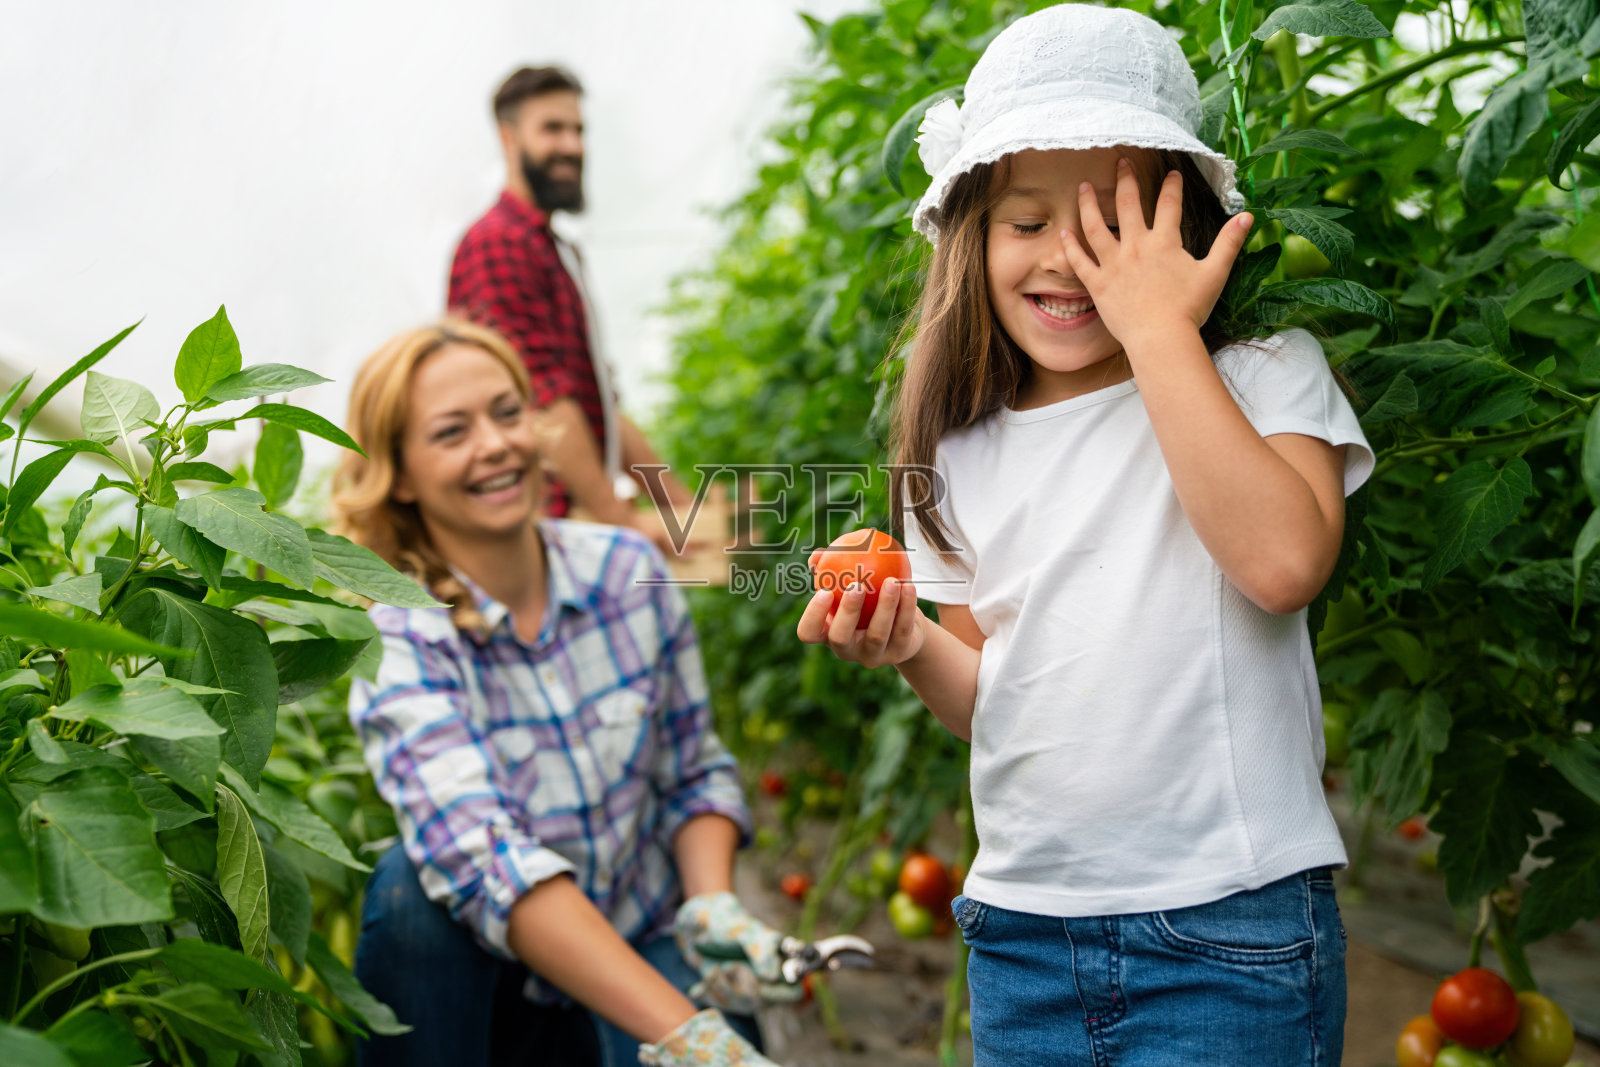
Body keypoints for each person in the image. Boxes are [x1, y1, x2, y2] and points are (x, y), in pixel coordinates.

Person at [798, 7, 1371, 1065]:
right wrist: (911, 644)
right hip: (1021, 937)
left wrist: (1159, 327)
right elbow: (997, 702)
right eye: (1026, 221)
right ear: (971, 236)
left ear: (1188, 229)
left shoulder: (1259, 374)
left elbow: (1282, 563)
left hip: (1224, 930)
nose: (1071, 260)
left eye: (1113, 225)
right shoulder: (958, 444)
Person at [332, 318, 788, 1067]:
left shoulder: (623, 572)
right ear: (401, 473)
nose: (496, 444)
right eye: (452, 432)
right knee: (408, 888)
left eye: (507, 412)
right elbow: (483, 857)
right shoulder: (403, 636)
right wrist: (691, 1036)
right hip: (500, 982)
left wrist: (710, 901)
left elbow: (693, 768)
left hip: (647, 930)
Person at [447, 65, 692, 542]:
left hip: (568, 526)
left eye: (578, 130)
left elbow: (597, 401)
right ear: (509, 138)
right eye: (552, 129)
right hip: (537, 526)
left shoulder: (551, 249)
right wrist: (626, 529)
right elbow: (544, 403)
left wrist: (678, 506)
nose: (573, 147)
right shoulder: (498, 244)